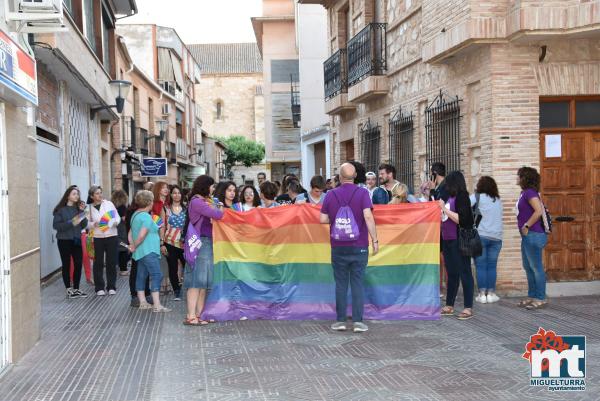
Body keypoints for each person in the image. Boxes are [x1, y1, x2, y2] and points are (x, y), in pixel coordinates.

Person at [320, 163, 379, 333]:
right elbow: (368, 216)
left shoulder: (331, 194)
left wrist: (338, 220)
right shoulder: (363, 193)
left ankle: (340, 321)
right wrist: (375, 240)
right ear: (354, 177)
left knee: (340, 283)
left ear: (339, 177)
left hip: (338, 246)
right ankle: (358, 322)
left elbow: (322, 219)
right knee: (358, 283)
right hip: (359, 245)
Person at [183, 175, 224, 326]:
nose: (213, 189)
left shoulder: (203, 201)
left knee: (203, 282)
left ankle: (200, 314)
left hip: (205, 243)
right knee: (196, 281)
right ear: (205, 186)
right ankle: (191, 315)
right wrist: (219, 207)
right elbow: (218, 215)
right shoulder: (197, 201)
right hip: (200, 243)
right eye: (212, 186)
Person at [437, 171, 475, 320]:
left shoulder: (462, 197)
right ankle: (449, 304)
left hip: (459, 240)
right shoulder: (448, 197)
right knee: (451, 273)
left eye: (448, 182)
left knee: (465, 272)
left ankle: (468, 307)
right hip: (447, 239)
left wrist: (444, 209)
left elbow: (463, 220)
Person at [128, 190, 171, 313]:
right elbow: (141, 235)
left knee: (141, 275)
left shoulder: (135, 215)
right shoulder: (146, 217)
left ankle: (143, 302)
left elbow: (130, 233)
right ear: (149, 202)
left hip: (141, 252)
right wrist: (134, 245)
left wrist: (132, 245)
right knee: (157, 275)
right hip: (149, 250)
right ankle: (157, 305)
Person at [516, 167, 548, 310]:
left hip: (534, 234)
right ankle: (532, 295)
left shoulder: (530, 193)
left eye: (519, 176)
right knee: (528, 266)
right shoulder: (525, 193)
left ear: (525, 178)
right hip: (527, 236)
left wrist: (527, 225)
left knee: (536, 267)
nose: (516, 177)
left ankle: (540, 298)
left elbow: (538, 211)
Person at [470, 176, 503, 304]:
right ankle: (491, 293)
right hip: (496, 237)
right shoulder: (498, 200)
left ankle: (482, 294)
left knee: (481, 266)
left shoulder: (477, 197)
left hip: (481, 236)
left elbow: (463, 206)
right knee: (492, 266)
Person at [53, 185, 88, 299]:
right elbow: (56, 226)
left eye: (77, 194)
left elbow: (83, 225)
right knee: (66, 264)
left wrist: (82, 213)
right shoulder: (60, 210)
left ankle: (76, 288)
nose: (76, 196)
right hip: (64, 240)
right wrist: (72, 222)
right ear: (68, 196)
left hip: (76, 239)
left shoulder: (78, 209)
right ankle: (68, 289)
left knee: (78, 263)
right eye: (74, 194)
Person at [87, 186, 121, 296]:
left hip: (112, 235)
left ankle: (111, 286)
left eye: (100, 192)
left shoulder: (109, 204)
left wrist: (114, 222)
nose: (100, 195)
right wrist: (93, 224)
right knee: (98, 263)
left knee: (111, 262)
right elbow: (85, 223)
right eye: (97, 193)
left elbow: (117, 217)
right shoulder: (89, 208)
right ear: (92, 196)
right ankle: (99, 287)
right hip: (97, 237)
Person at [164, 185, 186, 301]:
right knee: (172, 267)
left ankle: (186, 286)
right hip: (169, 242)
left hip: (183, 242)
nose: (177, 195)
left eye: (179, 193)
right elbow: (162, 226)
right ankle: (176, 290)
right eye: (174, 193)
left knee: (187, 266)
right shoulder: (166, 209)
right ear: (171, 195)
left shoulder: (186, 208)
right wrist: (162, 243)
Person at [112, 189, 130, 277]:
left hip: (114, 230)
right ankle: (123, 269)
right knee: (123, 249)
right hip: (122, 231)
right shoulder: (122, 207)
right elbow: (124, 219)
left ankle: (116, 265)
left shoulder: (113, 207)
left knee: (117, 248)